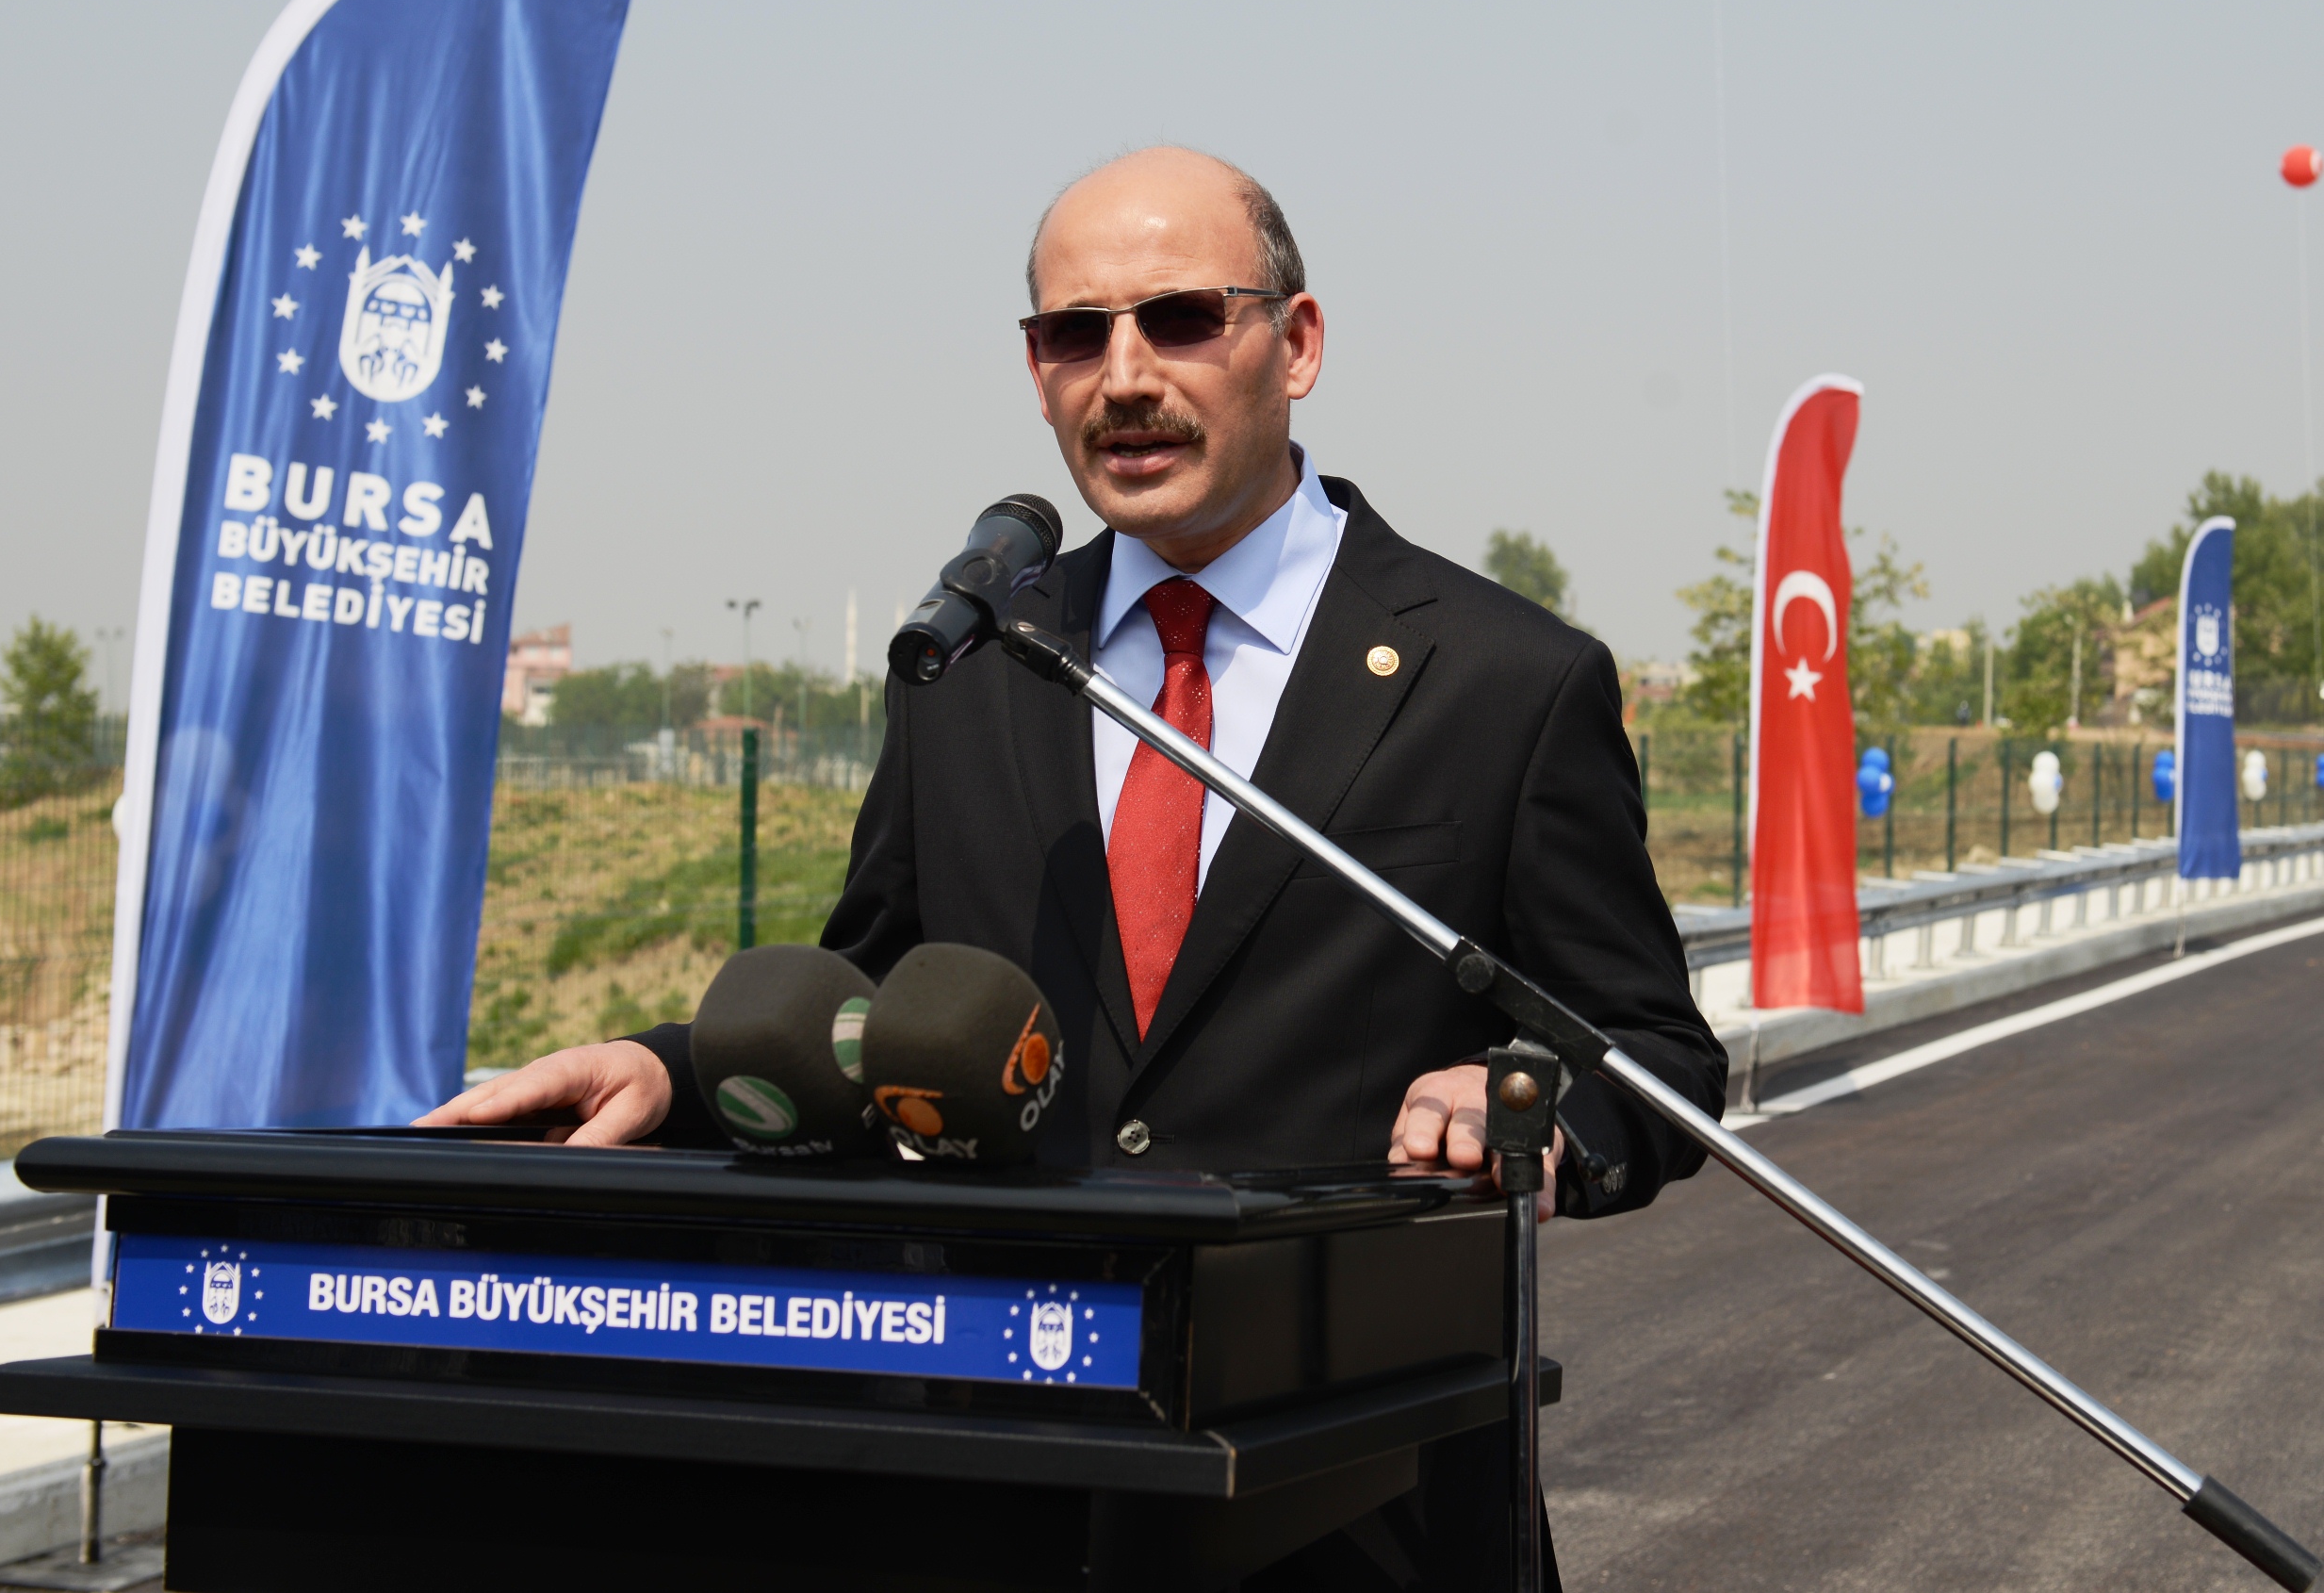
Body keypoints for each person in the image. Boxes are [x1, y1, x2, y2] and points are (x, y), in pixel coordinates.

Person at [423, 146, 1727, 1588]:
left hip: (1364, 1498)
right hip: (1009, 1484)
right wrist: (667, 1073)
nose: (1124, 376)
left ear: (1296, 344)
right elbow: (877, 991)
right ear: (1034, 370)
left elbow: (1656, 1052)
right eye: (1074, 333)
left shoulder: (1501, 679)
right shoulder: (980, 664)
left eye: (1180, 318)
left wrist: (1530, 1110)